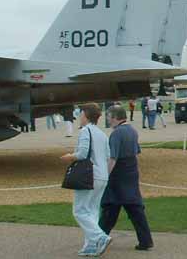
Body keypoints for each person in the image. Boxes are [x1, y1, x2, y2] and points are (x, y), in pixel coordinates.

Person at [60, 103, 112, 257]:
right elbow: (108, 155)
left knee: (80, 210)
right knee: (92, 211)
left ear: (86, 115)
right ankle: (91, 245)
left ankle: (99, 237)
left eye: (81, 113)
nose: (79, 116)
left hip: (90, 175)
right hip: (102, 175)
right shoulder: (102, 134)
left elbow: (82, 154)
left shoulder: (85, 131)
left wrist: (70, 156)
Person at [100, 106, 154, 251]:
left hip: (118, 176)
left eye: (109, 116)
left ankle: (98, 239)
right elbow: (136, 153)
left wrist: (104, 176)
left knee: (109, 208)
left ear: (115, 117)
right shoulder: (132, 131)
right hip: (131, 172)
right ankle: (146, 240)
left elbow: (112, 158)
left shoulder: (116, 134)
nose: (107, 119)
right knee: (135, 209)